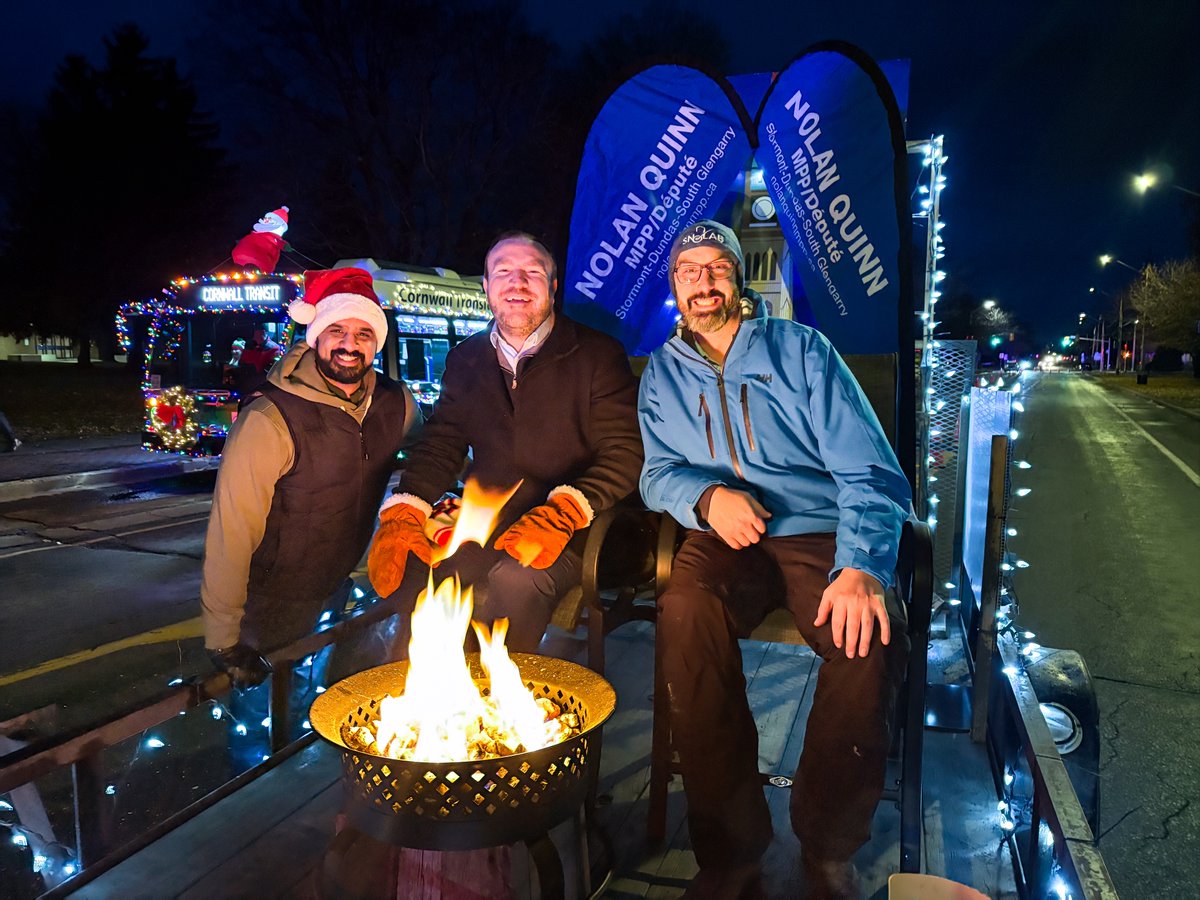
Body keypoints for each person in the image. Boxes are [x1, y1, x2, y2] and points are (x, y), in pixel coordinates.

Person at [637, 221, 912, 899]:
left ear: (738, 278)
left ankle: (826, 845)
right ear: (674, 286)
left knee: (866, 639)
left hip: (817, 533)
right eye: (688, 270)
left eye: (715, 267)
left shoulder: (802, 352)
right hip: (726, 536)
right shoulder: (661, 376)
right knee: (684, 612)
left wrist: (862, 566)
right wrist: (705, 498)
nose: (702, 281)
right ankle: (730, 850)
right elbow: (655, 474)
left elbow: (871, 472)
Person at [367, 231, 643, 653]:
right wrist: (406, 508)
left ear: (552, 286)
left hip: (579, 526)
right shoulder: (466, 359)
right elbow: (442, 443)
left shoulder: (597, 355)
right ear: (486, 287)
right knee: (417, 566)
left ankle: (504, 709)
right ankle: (421, 703)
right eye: (503, 273)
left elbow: (625, 453)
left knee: (517, 580)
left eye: (532, 272)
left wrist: (565, 510)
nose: (518, 283)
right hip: (490, 519)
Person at [201, 267, 421, 691]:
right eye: (336, 329)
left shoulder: (396, 403)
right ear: (315, 335)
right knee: (261, 727)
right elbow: (232, 531)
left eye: (363, 334)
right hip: (269, 605)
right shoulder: (271, 418)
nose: (349, 345)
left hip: (341, 587)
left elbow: (438, 453)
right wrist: (223, 638)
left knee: (324, 707)